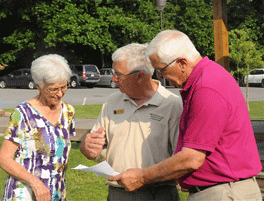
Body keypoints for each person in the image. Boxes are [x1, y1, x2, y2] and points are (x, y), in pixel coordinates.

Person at [108, 30, 263, 200]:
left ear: (182, 62)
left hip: (223, 192)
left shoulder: (207, 88)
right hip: (220, 190)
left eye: (161, 70)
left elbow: (191, 158)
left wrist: (142, 176)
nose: (160, 76)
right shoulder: (207, 79)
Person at [80, 43, 183, 201]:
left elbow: (181, 159)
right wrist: (87, 147)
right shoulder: (112, 102)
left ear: (140, 76)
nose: (114, 79)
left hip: (158, 194)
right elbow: (94, 149)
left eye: (119, 75)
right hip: (118, 193)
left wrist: (144, 178)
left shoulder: (172, 105)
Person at [0, 54, 75, 201]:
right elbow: (4, 159)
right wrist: (35, 183)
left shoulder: (68, 112)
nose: (60, 94)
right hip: (24, 194)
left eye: (64, 86)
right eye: (53, 89)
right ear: (38, 86)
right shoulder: (23, 113)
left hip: (56, 194)